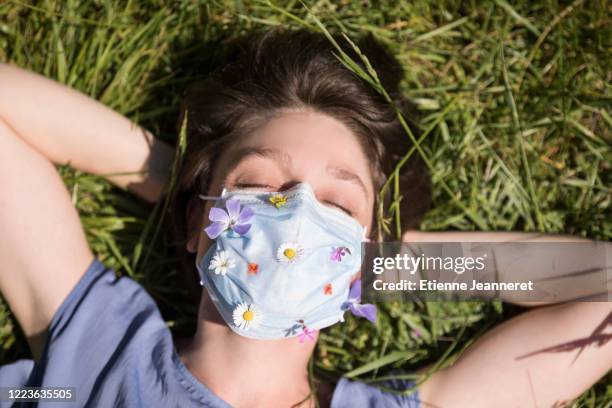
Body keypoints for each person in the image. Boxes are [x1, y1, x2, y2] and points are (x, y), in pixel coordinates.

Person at [0, 28, 609, 408]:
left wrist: (382, 258)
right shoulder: (101, 349)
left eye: (339, 206)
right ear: (198, 222)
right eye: (259, 184)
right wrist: (181, 178)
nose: (295, 216)